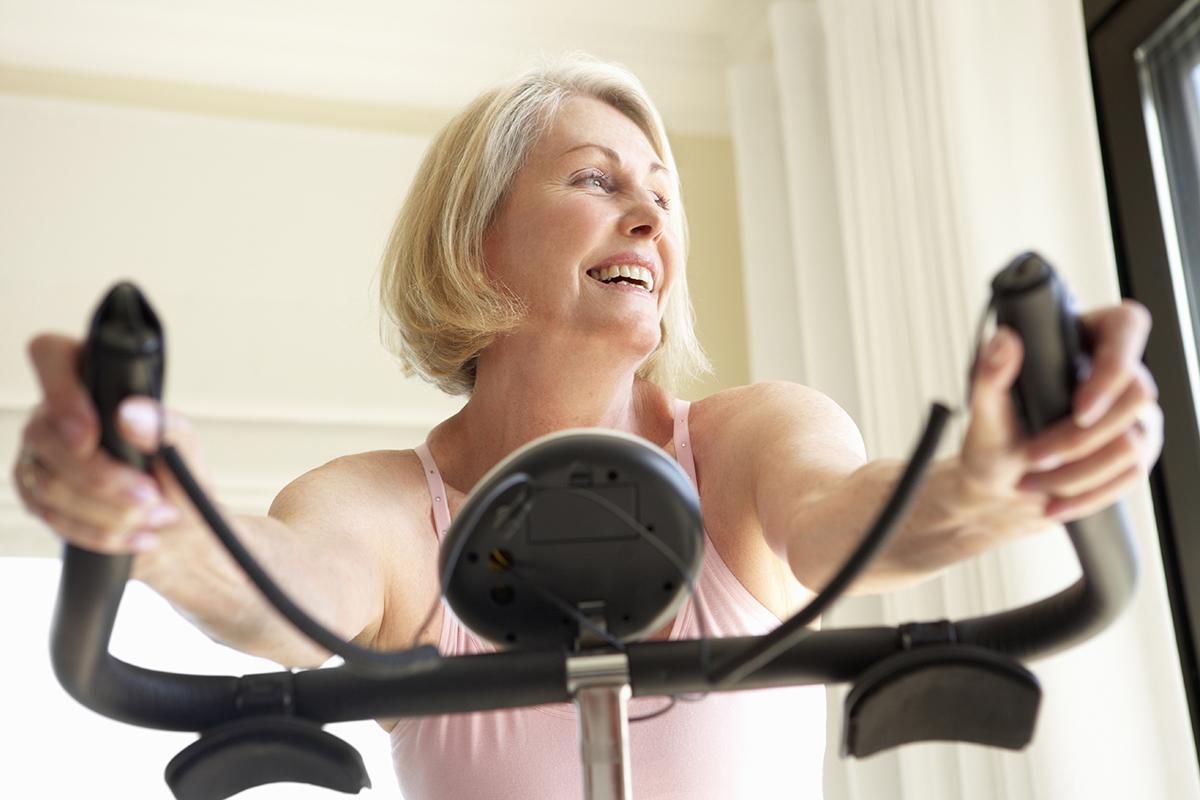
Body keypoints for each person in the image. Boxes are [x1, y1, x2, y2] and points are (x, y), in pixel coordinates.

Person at [11, 54, 1163, 799]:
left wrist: (982, 479)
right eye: (598, 179)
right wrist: (156, 524)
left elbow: (841, 518)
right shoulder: (394, 508)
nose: (652, 210)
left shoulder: (749, 438)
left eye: (662, 190)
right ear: (479, 243)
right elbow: (282, 585)